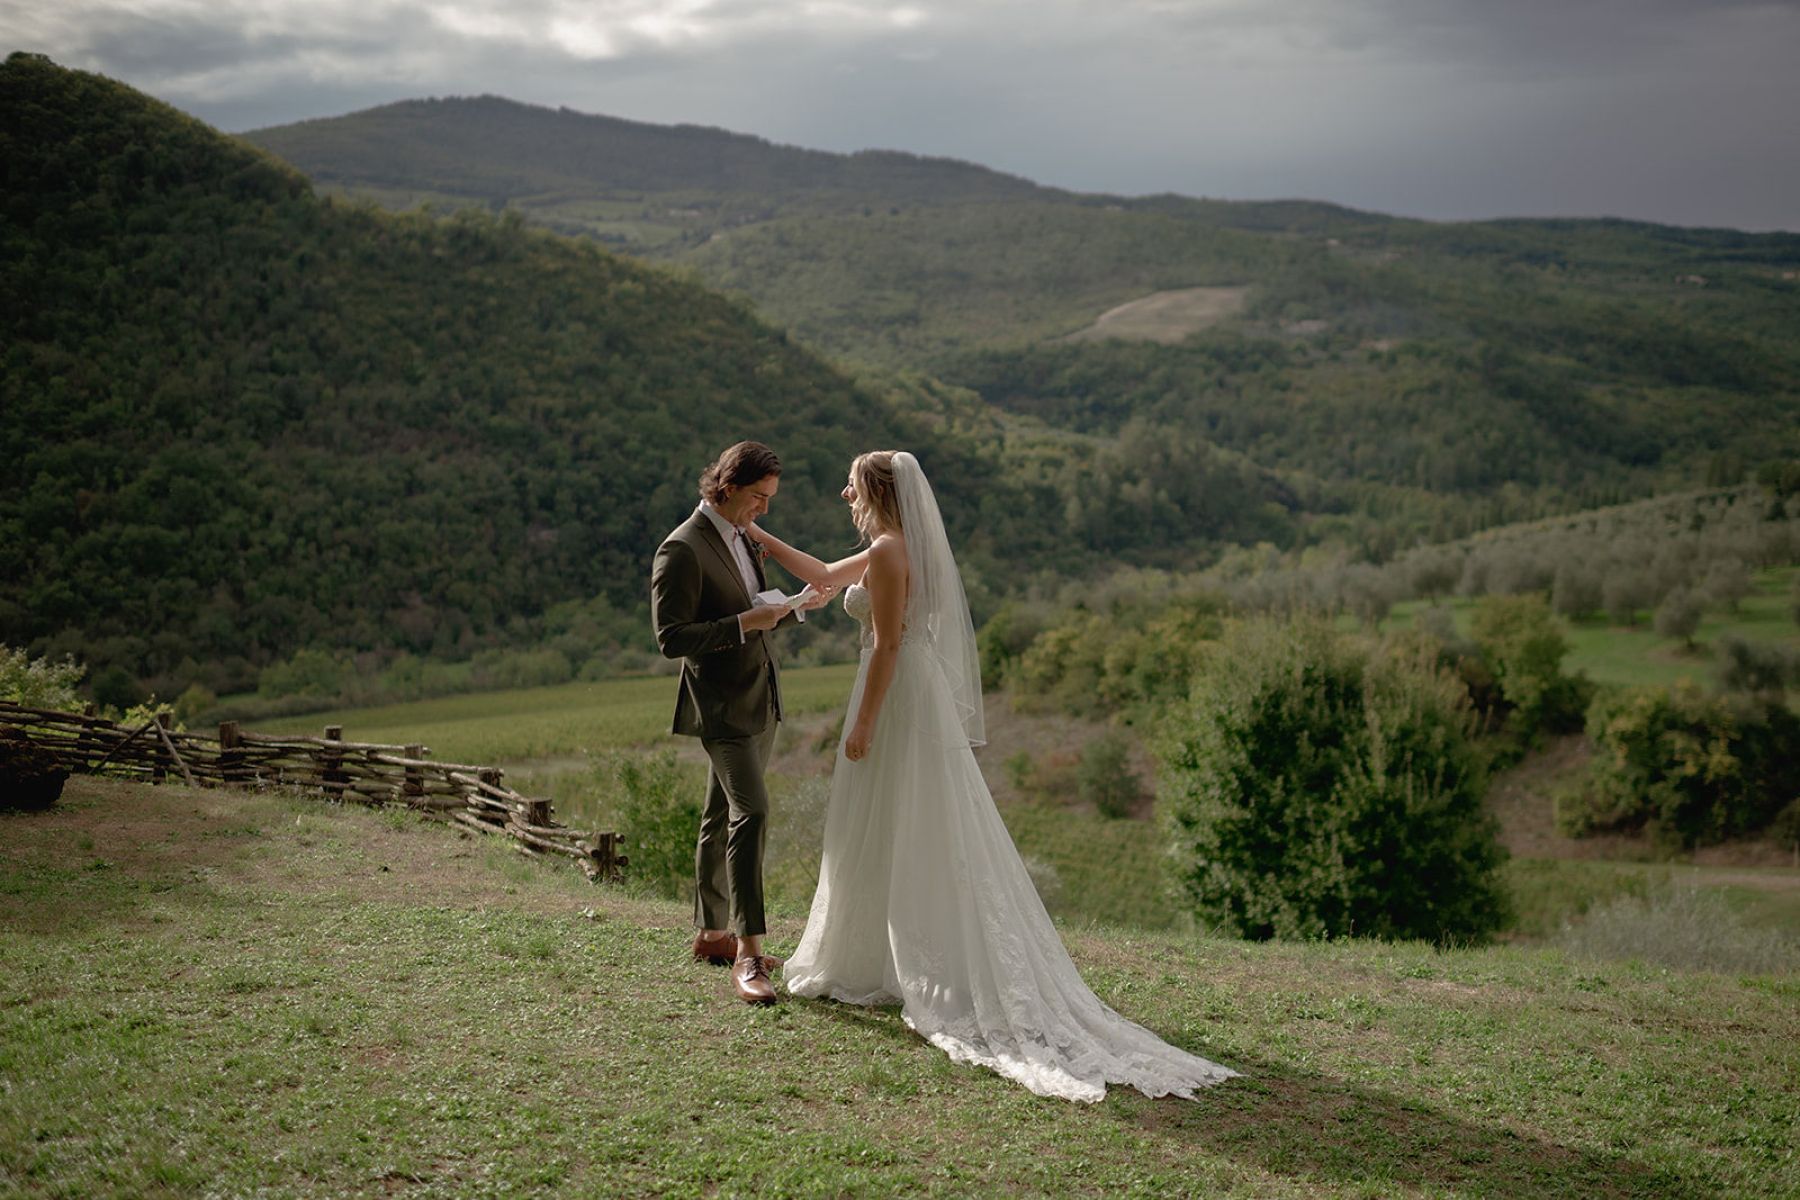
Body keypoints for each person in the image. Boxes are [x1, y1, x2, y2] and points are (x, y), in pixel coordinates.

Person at [745, 450, 1239, 1101]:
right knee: (887, 820)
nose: (844, 494)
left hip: (894, 693)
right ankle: (871, 956)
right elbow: (824, 575)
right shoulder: (888, 547)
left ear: (876, 492)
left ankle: (910, 962)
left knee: (905, 816)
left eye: (851, 485)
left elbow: (890, 643)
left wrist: (863, 723)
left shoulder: (893, 551)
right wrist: (759, 538)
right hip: (897, 687)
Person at [650, 441, 834, 1006]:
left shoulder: (742, 536)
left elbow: (755, 608)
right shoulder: (680, 549)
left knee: (719, 813)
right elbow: (671, 639)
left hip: (761, 696)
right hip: (721, 706)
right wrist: (743, 622)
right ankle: (749, 952)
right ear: (727, 488)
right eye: (759, 497)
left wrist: (795, 606)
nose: (766, 510)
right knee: (750, 812)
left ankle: (711, 933)